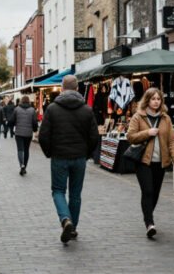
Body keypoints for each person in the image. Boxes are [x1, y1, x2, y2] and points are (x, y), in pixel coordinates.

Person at [38, 75, 99, 244]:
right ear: (78, 88)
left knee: (58, 191)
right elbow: (94, 137)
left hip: (59, 156)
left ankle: (66, 220)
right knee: (75, 194)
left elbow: (43, 136)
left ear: (62, 88)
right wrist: (86, 154)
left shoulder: (52, 109)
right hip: (79, 157)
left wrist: (50, 152)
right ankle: (73, 228)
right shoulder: (86, 110)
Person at [126, 88, 174, 238]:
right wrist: (147, 133)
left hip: (160, 162)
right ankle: (149, 223)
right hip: (143, 161)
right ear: (147, 100)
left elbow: (172, 141)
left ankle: (148, 216)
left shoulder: (166, 119)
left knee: (155, 193)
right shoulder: (138, 117)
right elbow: (130, 137)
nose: (156, 101)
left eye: (158, 99)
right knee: (148, 191)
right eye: (153, 99)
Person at [10, 95, 38, 175]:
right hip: (28, 133)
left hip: (18, 133)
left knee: (20, 149)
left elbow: (11, 120)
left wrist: (13, 125)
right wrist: (35, 130)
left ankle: (21, 165)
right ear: (29, 101)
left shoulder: (16, 109)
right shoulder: (32, 110)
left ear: (21, 101)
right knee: (26, 150)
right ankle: (25, 166)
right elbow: (34, 122)